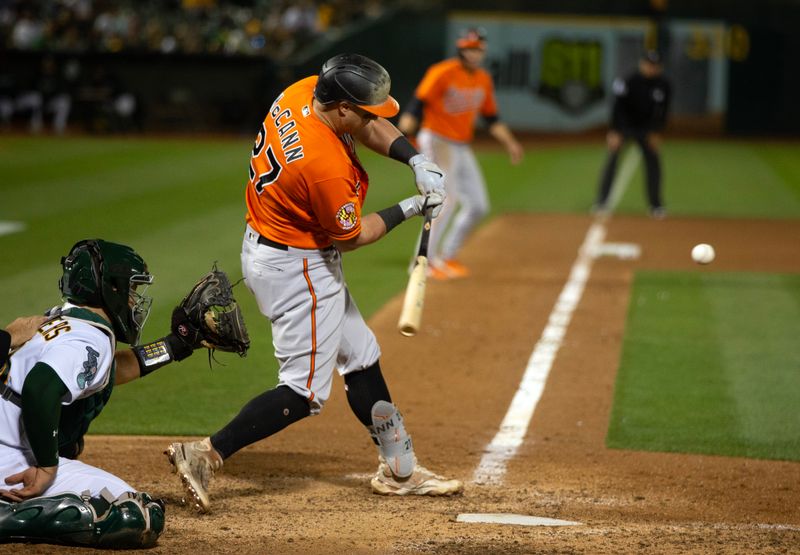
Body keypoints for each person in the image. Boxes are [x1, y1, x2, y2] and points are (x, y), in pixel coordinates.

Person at [165, 53, 462, 514]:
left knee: (360, 355)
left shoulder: (305, 90)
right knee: (303, 392)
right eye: (364, 110)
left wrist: (415, 158)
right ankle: (205, 453)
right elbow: (352, 236)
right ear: (342, 106)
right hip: (298, 269)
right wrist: (410, 206)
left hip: (276, 248)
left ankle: (400, 469)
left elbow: (365, 125)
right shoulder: (323, 165)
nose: (372, 118)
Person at [0, 239, 206, 548]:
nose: (135, 301)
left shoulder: (61, 321)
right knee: (131, 515)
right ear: (111, 288)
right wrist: (46, 468)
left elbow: (104, 373)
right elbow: (40, 388)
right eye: (132, 290)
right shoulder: (88, 337)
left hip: (8, 446)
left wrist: (175, 346)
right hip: (11, 458)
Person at [397, 28, 523, 280]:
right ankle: (422, 261)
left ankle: (448, 255)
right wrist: (401, 138)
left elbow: (491, 118)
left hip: (461, 145)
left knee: (478, 205)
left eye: (477, 49)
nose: (473, 53)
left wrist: (510, 143)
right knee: (447, 199)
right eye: (469, 48)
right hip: (436, 139)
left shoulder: (483, 79)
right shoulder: (442, 72)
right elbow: (417, 105)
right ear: (460, 49)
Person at [593, 49, 671, 218]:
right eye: (648, 64)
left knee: (653, 163)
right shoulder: (627, 81)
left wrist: (656, 132)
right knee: (612, 160)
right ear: (642, 64)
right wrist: (615, 131)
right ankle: (602, 202)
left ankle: (655, 205)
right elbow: (617, 107)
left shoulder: (663, 85)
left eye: (655, 65)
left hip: (647, 129)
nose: (651, 68)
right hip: (625, 127)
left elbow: (663, 112)